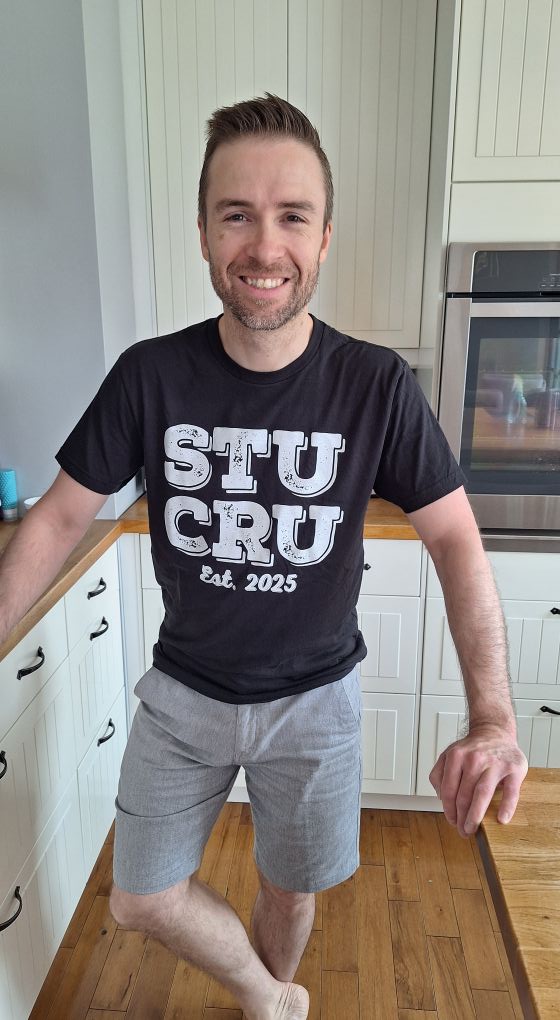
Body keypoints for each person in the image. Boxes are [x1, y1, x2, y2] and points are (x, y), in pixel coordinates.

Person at [0, 94, 527, 1020]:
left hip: (317, 701)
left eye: (293, 216)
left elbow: (455, 538)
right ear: (205, 233)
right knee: (139, 899)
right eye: (237, 214)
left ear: (324, 237)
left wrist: (493, 717)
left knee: (290, 888)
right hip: (183, 695)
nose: (264, 246)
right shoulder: (149, 375)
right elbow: (54, 519)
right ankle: (270, 995)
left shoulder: (374, 384)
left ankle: (262, 1010)